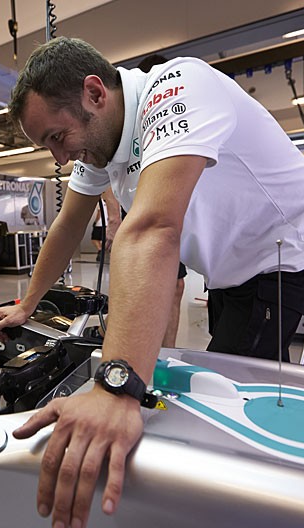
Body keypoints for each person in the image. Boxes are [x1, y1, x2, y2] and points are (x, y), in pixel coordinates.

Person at [0, 37, 304, 528]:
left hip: (283, 249)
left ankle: (243, 509)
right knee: (213, 364)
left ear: (95, 93)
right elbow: (67, 227)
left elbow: (152, 229)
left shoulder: (179, 87)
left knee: (230, 394)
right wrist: (27, 304)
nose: (61, 158)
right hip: (229, 262)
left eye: (57, 137)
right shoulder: (99, 143)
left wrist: (116, 385)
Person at [136, 53, 186, 349]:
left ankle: (167, 353)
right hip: (142, 216)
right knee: (150, 288)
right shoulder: (131, 129)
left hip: (171, 218)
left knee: (176, 286)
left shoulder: (172, 122)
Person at [89, 189, 121, 262]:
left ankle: (101, 250)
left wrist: (95, 222)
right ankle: (106, 253)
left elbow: (99, 213)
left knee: (94, 239)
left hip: (100, 224)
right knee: (107, 240)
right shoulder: (117, 202)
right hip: (108, 224)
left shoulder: (102, 203)